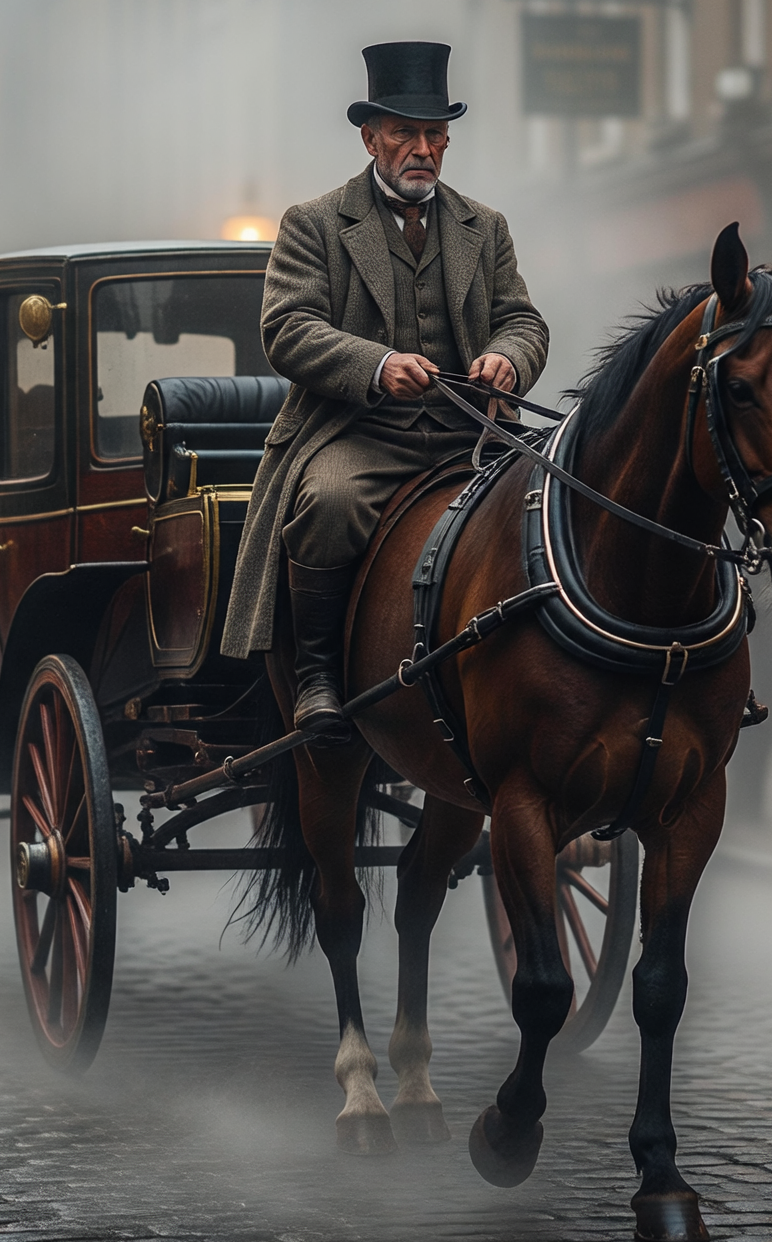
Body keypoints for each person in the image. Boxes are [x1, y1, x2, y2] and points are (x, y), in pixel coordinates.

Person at [220, 41, 548, 733]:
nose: (421, 149)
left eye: (433, 135)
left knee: (552, 501)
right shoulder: (313, 224)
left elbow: (521, 318)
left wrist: (507, 360)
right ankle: (317, 677)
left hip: (469, 436)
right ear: (371, 139)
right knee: (329, 501)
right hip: (357, 434)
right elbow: (286, 327)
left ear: (448, 141)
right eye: (404, 133)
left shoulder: (484, 228)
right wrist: (376, 365)